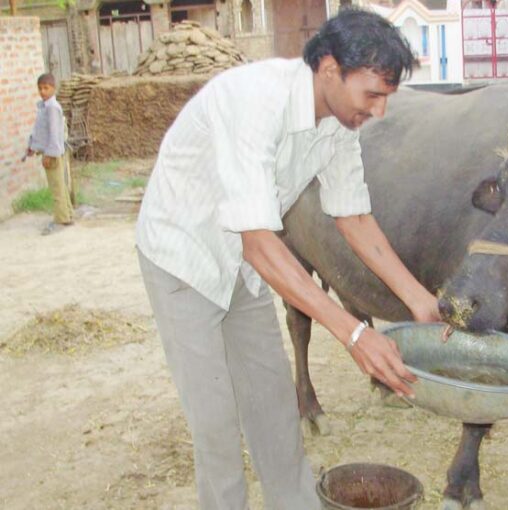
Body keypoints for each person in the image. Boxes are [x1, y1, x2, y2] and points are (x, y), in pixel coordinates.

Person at [135, 8, 440, 510]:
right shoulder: (254, 101)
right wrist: (355, 333)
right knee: (216, 424)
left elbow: (354, 217)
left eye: (387, 96)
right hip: (183, 258)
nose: (380, 111)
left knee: (274, 409)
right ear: (328, 69)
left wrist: (419, 301)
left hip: (241, 265)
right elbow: (260, 241)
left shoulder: (341, 124)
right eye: (373, 94)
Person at [27, 73, 73, 235]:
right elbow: (41, 131)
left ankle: (61, 218)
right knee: (60, 184)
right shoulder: (44, 106)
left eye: (46, 88)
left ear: (54, 88)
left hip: (52, 154)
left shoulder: (52, 108)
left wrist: (48, 155)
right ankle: (67, 214)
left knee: (56, 187)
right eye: (40, 88)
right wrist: (32, 146)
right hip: (49, 151)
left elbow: (54, 134)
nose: (42, 91)